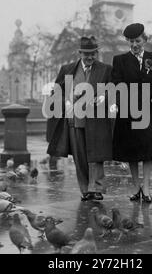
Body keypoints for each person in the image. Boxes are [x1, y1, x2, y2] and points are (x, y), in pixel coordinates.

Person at [46, 36, 113, 201]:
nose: (90, 57)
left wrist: (104, 96)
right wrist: (67, 101)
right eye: (86, 54)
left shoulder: (105, 69)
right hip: (74, 119)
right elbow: (56, 93)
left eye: (93, 54)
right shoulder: (67, 69)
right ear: (80, 53)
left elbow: (113, 90)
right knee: (80, 156)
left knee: (97, 155)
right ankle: (86, 190)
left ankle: (97, 188)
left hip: (97, 119)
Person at [111, 23, 152, 204]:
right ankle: (136, 187)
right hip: (129, 112)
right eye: (131, 41)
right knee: (132, 151)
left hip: (149, 111)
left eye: (138, 41)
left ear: (144, 40)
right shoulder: (120, 60)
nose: (135, 44)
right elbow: (116, 83)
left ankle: (147, 187)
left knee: (149, 151)